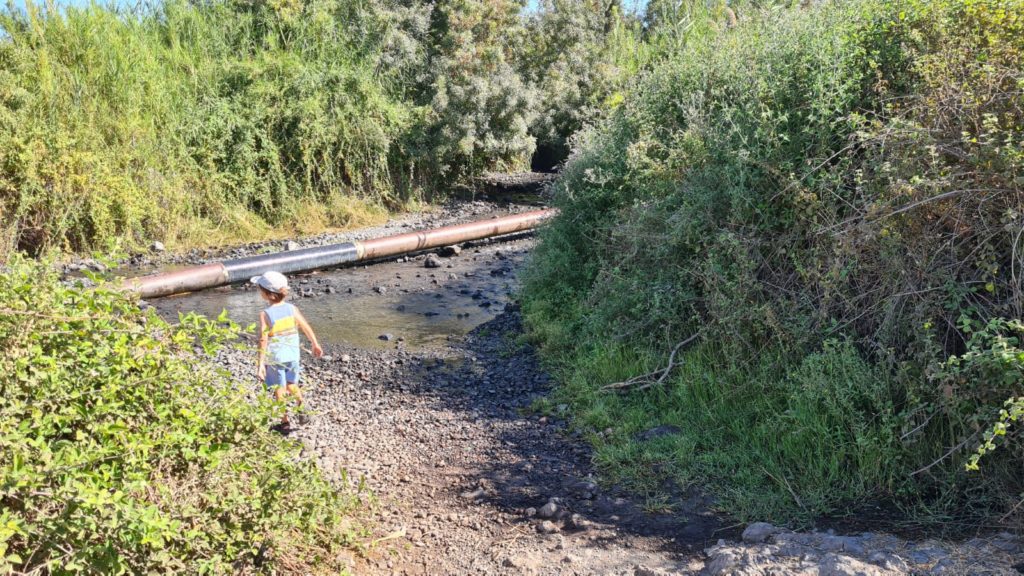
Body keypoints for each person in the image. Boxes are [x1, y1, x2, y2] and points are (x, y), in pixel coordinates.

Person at [252, 271, 323, 429]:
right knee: (291, 383)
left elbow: (263, 339)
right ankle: (301, 405)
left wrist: (260, 364)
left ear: (268, 295)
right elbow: (305, 326)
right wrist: (314, 343)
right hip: (293, 355)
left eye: (260, 289)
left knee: (279, 388)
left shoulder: (265, 314)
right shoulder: (292, 308)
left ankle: (284, 421)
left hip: (276, 358)